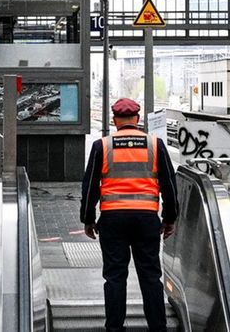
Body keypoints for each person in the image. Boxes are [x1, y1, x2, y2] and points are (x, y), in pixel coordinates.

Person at [81, 98, 178, 332]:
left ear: (115, 121)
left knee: (114, 276)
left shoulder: (102, 146)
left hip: (113, 220)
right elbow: (169, 184)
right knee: (150, 276)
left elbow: (90, 185)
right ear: (137, 119)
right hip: (146, 219)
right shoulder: (155, 144)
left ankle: (114, 328)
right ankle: (157, 327)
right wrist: (169, 218)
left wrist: (88, 219)